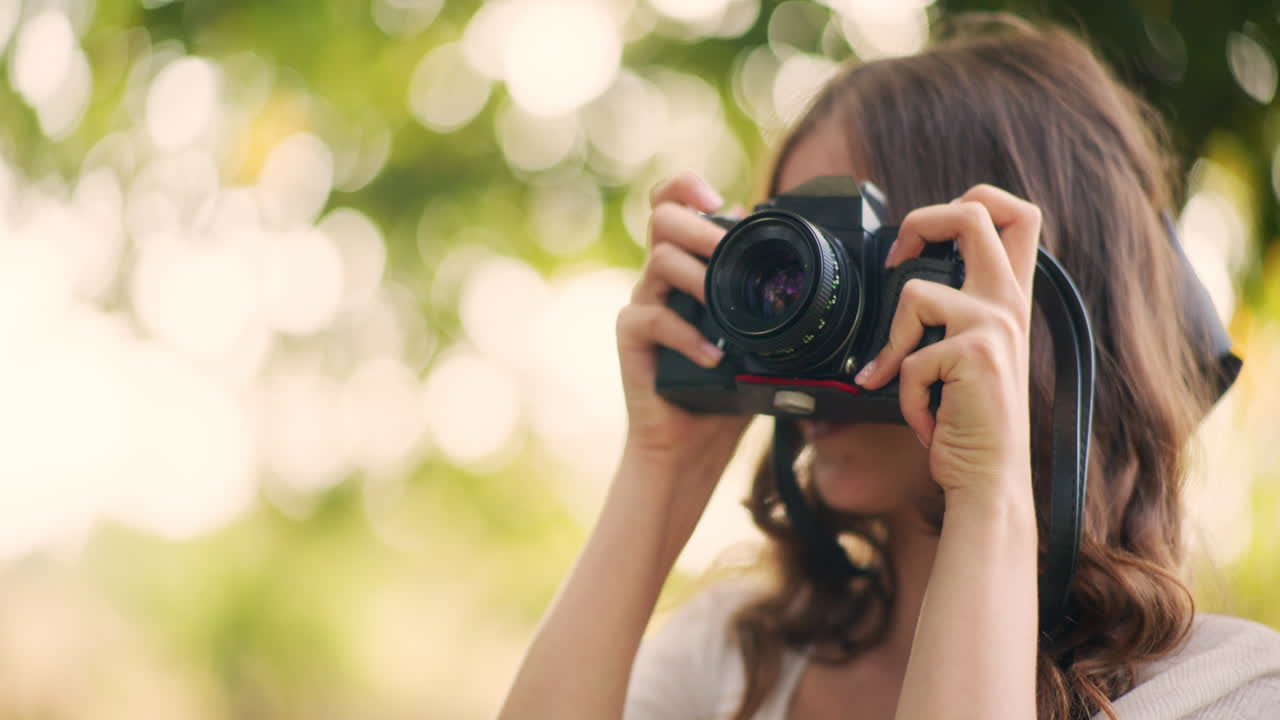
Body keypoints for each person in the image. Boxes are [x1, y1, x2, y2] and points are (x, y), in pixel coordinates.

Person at [498, 16, 1280, 720]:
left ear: (1026, 303)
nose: (798, 317)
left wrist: (990, 493)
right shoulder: (731, 661)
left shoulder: (1228, 691)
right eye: (789, 256)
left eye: (858, 264)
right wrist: (661, 467)